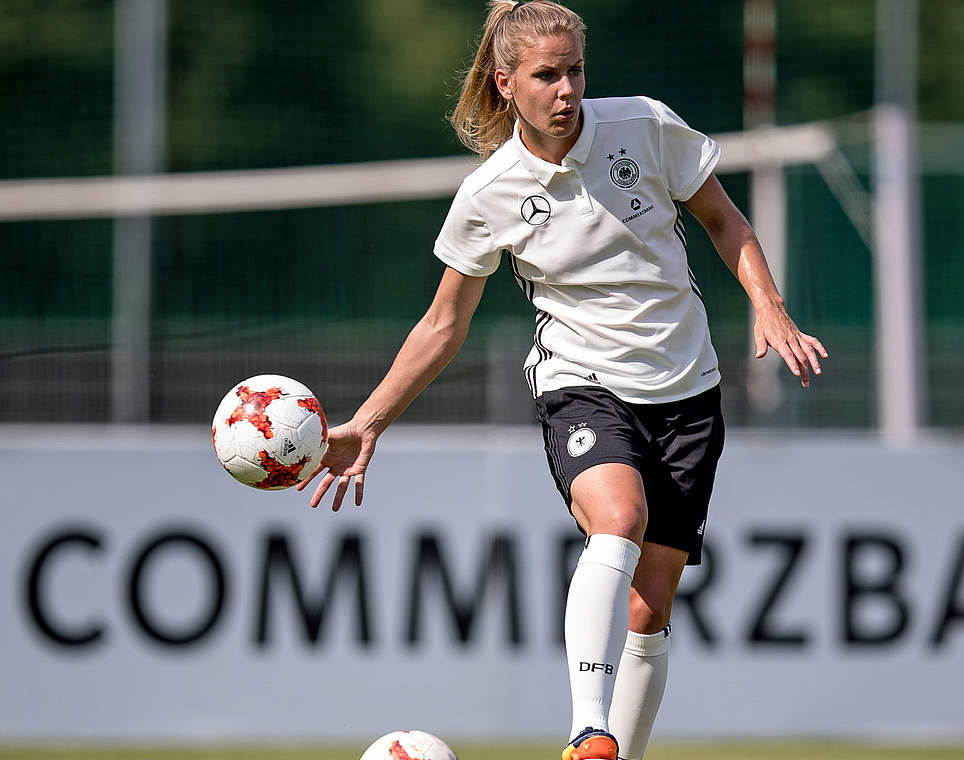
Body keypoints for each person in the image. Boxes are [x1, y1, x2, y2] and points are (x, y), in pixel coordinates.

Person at [298, 1, 827, 758]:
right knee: (618, 516)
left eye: (574, 70)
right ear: (506, 83)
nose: (566, 89)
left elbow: (724, 221)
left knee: (651, 607)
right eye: (546, 75)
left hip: (687, 386)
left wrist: (770, 310)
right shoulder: (490, 194)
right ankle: (589, 729)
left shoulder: (643, 125)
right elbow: (443, 325)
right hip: (581, 381)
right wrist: (369, 421)